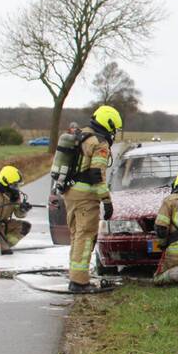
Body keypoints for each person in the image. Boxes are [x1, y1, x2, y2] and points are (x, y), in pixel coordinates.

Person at [64, 105, 121, 293]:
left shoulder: (82, 135)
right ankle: (79, 282)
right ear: (109, 124)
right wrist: (106, 200)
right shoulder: (99, 143)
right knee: (86, 236)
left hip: (70, 193)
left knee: (76, 235)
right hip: (86, 197)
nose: (114, 133)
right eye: (114, 129)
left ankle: (75, 275)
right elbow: (97, 174)